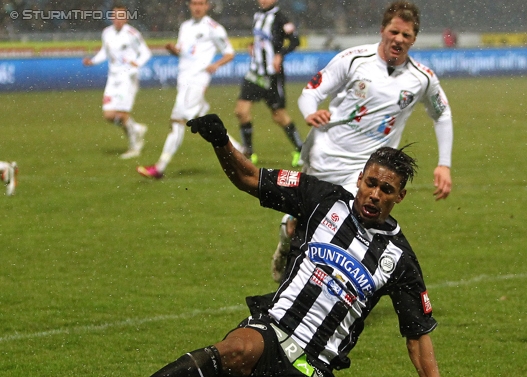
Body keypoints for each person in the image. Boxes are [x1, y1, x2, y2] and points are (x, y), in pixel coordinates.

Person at [87, 114, 476, 377]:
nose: (375, 194)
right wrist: (221, 141)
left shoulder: (399, 259)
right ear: (360, 179)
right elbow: (249, 178)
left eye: (386, 189)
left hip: (315, 367)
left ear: (400, 197)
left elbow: (417, 334)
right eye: (371, 183)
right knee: (233, 349)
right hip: (272, 331)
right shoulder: (322, 198)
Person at [271, 1, 454, 282]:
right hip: (323, 156)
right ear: (383, 30)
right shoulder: (354, 59)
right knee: (300, 224)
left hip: (366, 171)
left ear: (414, 39)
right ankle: (288, 238)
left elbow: (442, 116)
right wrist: (311, 113)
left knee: (348, 227)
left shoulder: (422, 79)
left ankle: (324, 290)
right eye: (394, 32)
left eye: (406, 35)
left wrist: (444, 164)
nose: (399, 39)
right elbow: (310, 92)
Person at [136, 0, 235, 179]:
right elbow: (182, 52)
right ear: (189, 6)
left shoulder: (214, 27)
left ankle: (159, 167)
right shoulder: (185, 26)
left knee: (177, 121)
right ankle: (240, 150)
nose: (197, 7)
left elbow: (229, 52)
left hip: (197, 80)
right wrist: (173, 49)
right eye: (194, 3)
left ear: (207, 6)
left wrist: (216, 65)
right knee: (205, 120)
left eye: (201, 3)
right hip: (184, 80)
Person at [234, 0, 304, 166]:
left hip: (272, 76)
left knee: (279, 116)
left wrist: (280, 54)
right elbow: (262, 40)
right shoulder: (257, 16)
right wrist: (253, 45)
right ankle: (249, 153)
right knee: (241, 111)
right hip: (254, 73)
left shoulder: (281, 18)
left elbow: (295, 41)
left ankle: (301, 150)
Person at [83, 4, 151, 159]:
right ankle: (136, 128)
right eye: (115, 16)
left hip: (128, 77)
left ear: (126, 18)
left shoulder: (132, 34)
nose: (118, 19)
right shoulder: (107, 33)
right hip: (113, 78)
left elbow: (146, 53)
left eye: (121, 16)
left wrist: (137, 63)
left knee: (122, 114)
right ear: (111, 17)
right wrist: (92, 61)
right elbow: (104, 52)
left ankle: (135, 147)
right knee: (109, 115)